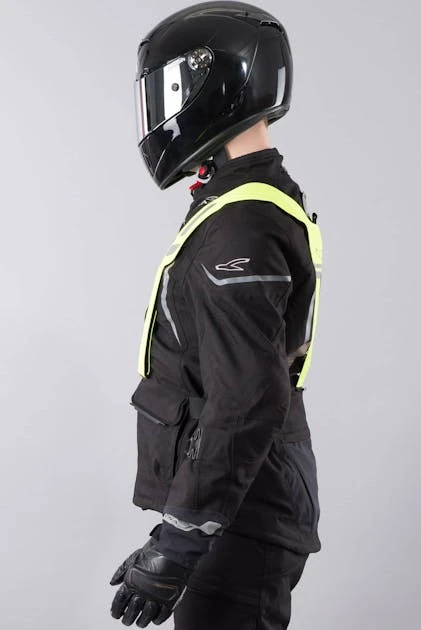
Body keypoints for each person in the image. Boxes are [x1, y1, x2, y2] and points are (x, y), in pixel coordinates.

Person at [109, 2, 323, 628]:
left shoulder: (242, 224)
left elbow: (247, 399)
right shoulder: (244, 201)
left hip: (239, 518)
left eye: (171, 90)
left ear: (217, 87)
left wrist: (178, 543)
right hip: (234, 509)